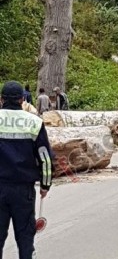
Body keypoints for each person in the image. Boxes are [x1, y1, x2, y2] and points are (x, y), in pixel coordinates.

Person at [0, 81, 54, 259]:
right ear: (22, 100)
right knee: (25, 238)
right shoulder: (34, 123)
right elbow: (45, 158)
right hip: (23, 191)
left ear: (1, 99)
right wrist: (45, 185)